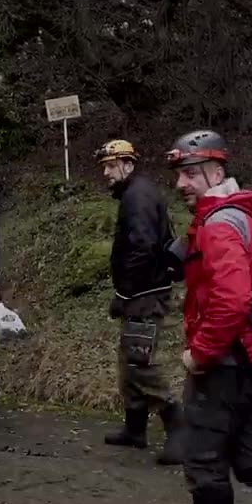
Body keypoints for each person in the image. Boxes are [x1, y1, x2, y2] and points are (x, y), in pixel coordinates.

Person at [155, 130, 252, 504]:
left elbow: (231, 301)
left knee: (205, 459)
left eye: (191, 174)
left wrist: (200, 354)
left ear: (218, 171)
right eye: (179, 176)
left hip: (227, 365)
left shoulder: (219, 225)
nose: (182, 185)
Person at [94, 139, 184, 465]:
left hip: (146, 294)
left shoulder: (139, 196)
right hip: (141, 293)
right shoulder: (135, 194)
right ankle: (135, 429)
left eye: (111, 165)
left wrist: (124, 292)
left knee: (140, 362)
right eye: (104, 166)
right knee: (128, 361)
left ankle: (179, 428)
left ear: (128, 165)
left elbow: (143, 248)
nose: (105, 172)